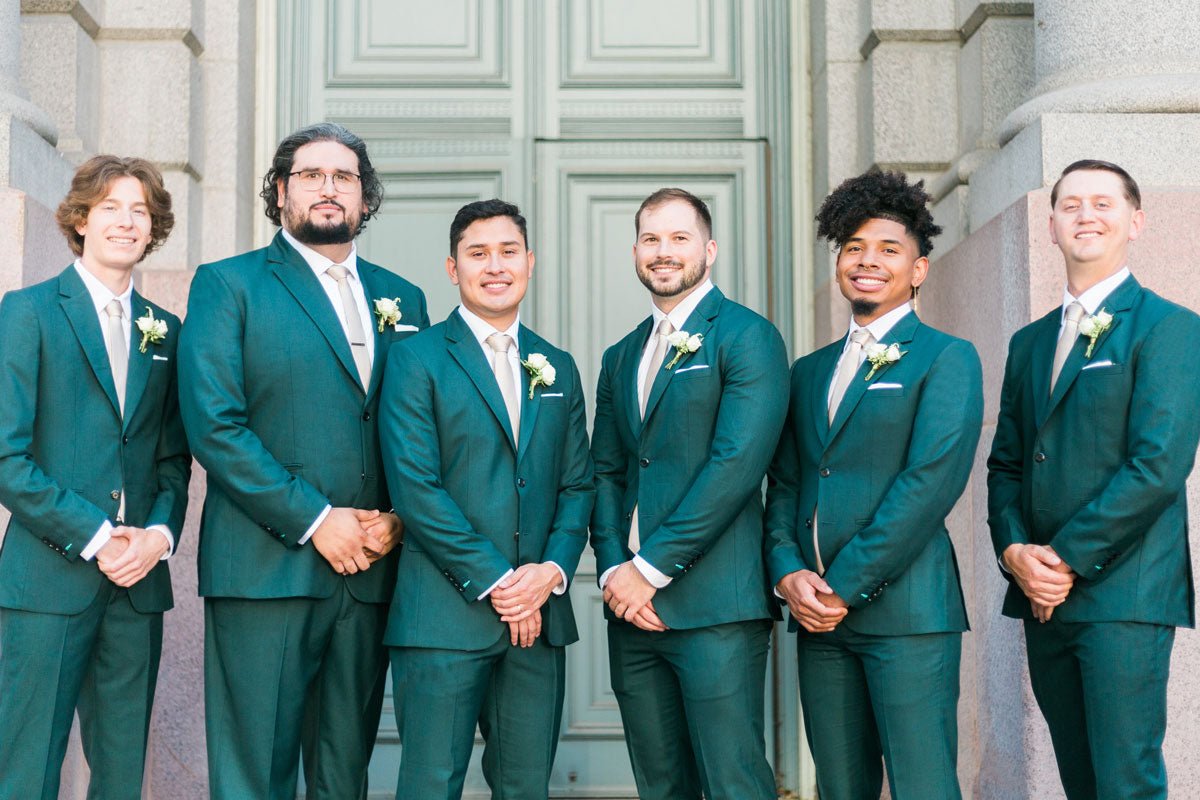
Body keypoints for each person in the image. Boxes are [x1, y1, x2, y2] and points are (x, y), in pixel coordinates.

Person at [177, 122, 428, 800]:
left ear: (365, 197)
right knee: (255, 775)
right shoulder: (228, 285)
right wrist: (317, 520)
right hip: (266, 570)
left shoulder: (404, 297)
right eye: (311, 175)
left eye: (344, 177)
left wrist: (400, 517)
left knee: (344, 775)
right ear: (282, 192)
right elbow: (215, 427)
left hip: (370, 570)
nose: (328, 188)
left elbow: (423, 430)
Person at [987, 159, 1200, 800]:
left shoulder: (1171, 327)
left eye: (1103, 203)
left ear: (1135, 222)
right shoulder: (1029, 343)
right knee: (1080, 782)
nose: (1086, 215)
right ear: (1051, 225)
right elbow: (1007, 464)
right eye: (1070, 204)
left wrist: (1062, 559)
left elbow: (1157, 466)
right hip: (1043, 598)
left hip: (1125, 594)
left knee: (1126, 783)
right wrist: (1015, 552)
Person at [765, 169, 982, 799]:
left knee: (922, 787)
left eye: (889, 249)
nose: (867, 261)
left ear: (918, 270)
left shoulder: (947, 357)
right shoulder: (809, 372)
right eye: (854, 247)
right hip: (819, 622)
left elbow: (928, 486)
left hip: (908, 615)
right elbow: (786, 484)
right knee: (840, 788)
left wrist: (841, 586)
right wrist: (787, 571)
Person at [379, 199, 594, 799]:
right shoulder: (415, 359)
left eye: (508, 252)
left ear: (530, 262)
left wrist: (548, 573)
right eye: (478, 253)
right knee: (430, 785)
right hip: (442, 617)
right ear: (453, 268)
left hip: (538, 620)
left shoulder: (557, 366)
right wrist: (503, 583)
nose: (495, 266)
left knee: (526, 787)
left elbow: (577, 485)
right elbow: (416, 488)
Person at [0, 155, 190, 800]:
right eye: (110, 207)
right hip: (47, 582)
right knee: (27, 771)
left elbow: (171, 459)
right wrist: (100, 536)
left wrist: (158, 537)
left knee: (122, 775)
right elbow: (7, 459)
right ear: (81, 219)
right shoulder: (27, 312)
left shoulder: (166, 331)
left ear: (153, 228)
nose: (126, 221)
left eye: (140, 210)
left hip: (138, 587)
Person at [589, 188, 788, 799]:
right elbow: (606, 472)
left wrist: (648, 569)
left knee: (734, 783)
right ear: (635, 251)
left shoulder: (748, 337)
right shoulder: (621, 355)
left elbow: (735, 468)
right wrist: (614, 572)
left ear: (710, 249)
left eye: (679, 238)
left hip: (717, 607)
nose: (663, 251)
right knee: (661, 786)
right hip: (631, 611)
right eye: (651, 239)